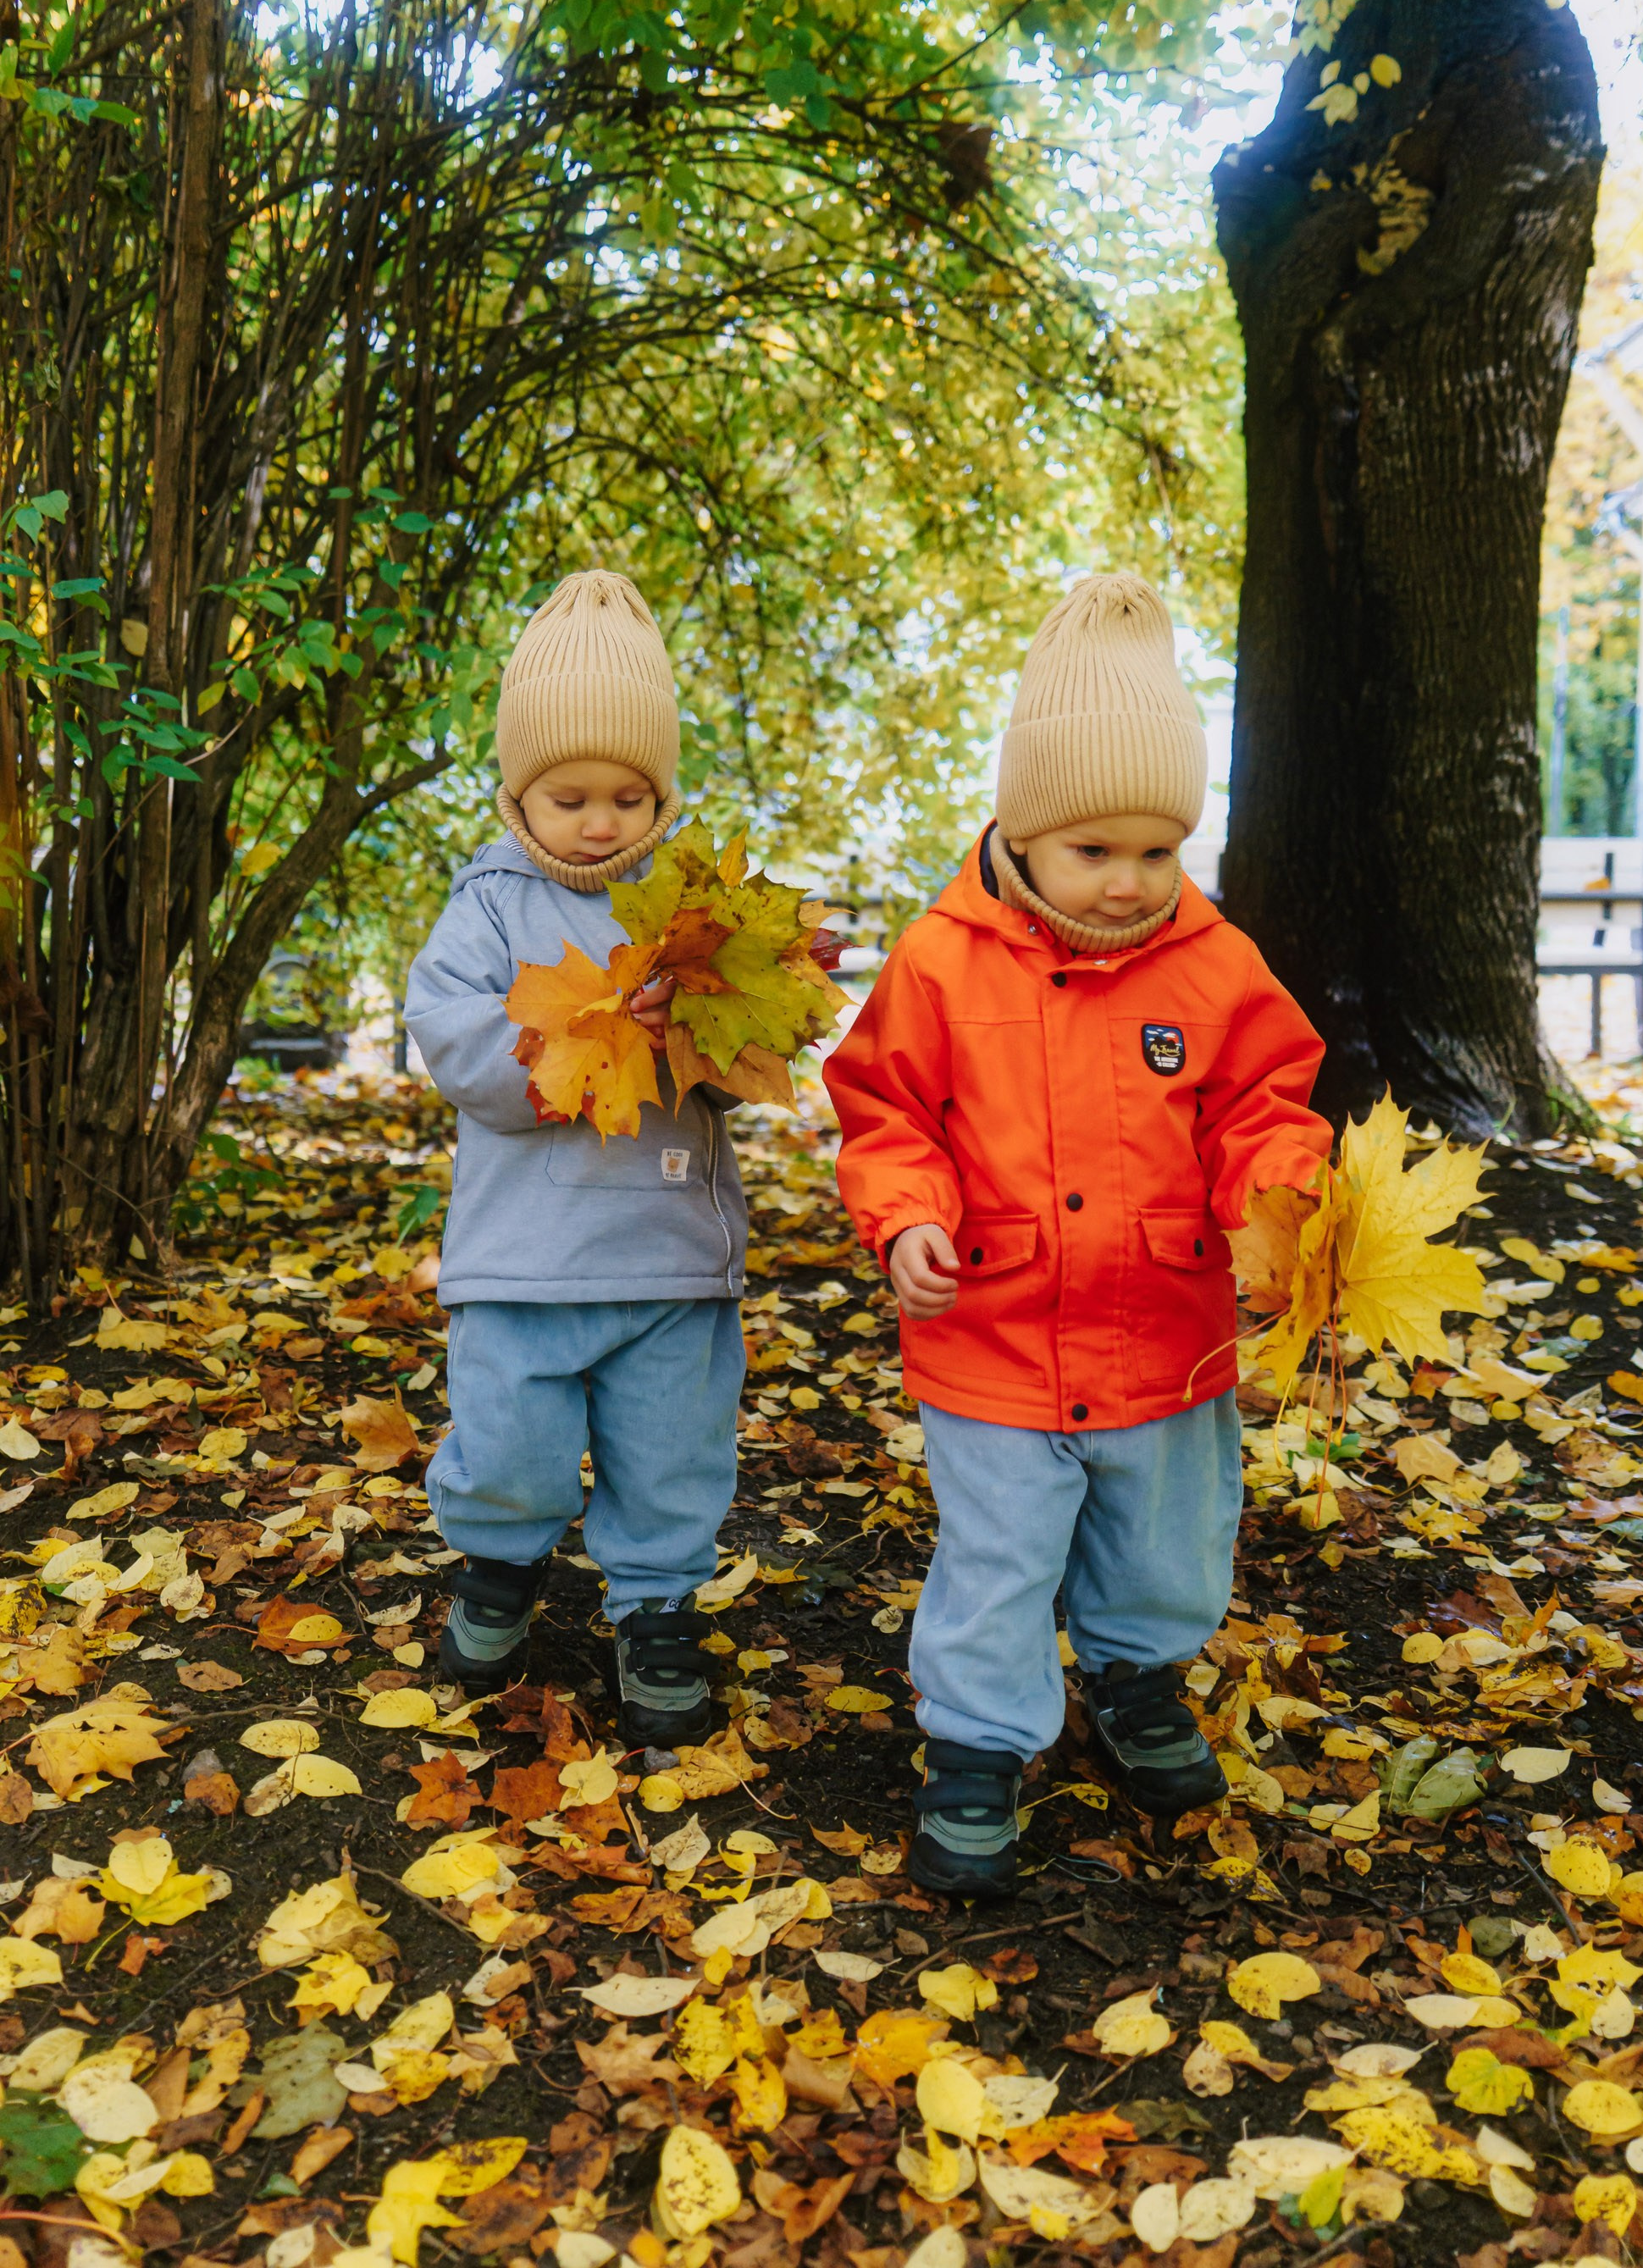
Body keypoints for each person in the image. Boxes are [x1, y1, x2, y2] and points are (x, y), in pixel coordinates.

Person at [824, 573, 1329, 1895]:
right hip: (991, 1336)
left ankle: (1134, 1673)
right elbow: (884, 1108)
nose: (1128, 883)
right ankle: (982, 1745)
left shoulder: (1217, 968)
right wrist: (907, 1217)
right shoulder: (940, 964)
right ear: (1023, 830)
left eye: (1157, 852)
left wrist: (1276, 1194)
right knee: (996, 1556)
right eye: (1093, 852)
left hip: (1164, 1331)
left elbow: (1265, 1105)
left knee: (1166, 1538)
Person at [406, 569, 746, 1737]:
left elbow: (759, 1044)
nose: (599, 823)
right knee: (509, 1436)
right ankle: (499, 1564)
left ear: (662, 796)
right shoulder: (489, 906)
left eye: (628, 797)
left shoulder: (691, 911)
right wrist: (580, 1042)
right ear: (518, 795)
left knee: (672, 1452)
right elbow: (454, 1038)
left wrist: (695, 1029)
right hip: (525, 1256)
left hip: (664, 1252)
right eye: (568, 797)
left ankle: (657, 1608)